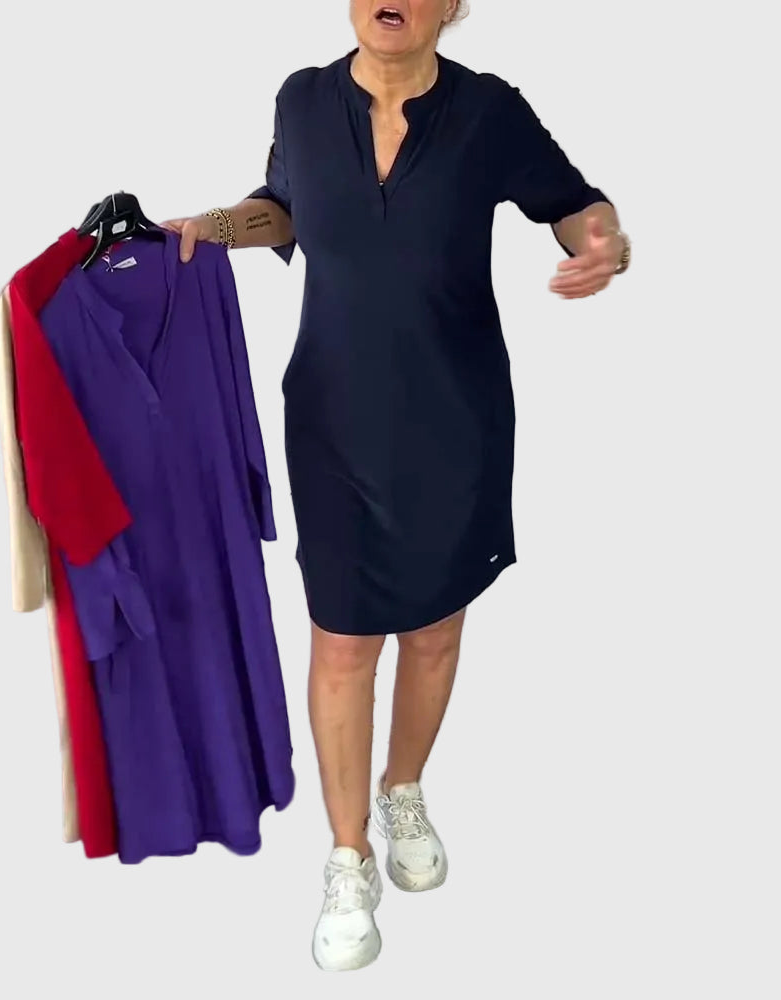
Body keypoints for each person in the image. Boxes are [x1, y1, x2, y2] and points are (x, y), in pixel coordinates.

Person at [162, 0, 630, 973]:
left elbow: (574, 202)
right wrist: (214, 226)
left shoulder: (489, 111)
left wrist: (605, 243)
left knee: (433, 630)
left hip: (455, 418)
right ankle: (348, 856)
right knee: (341, 639)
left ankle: (402, 788)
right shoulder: (300, 100)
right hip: (332, 415)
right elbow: (283, 207)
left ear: (451, 6)